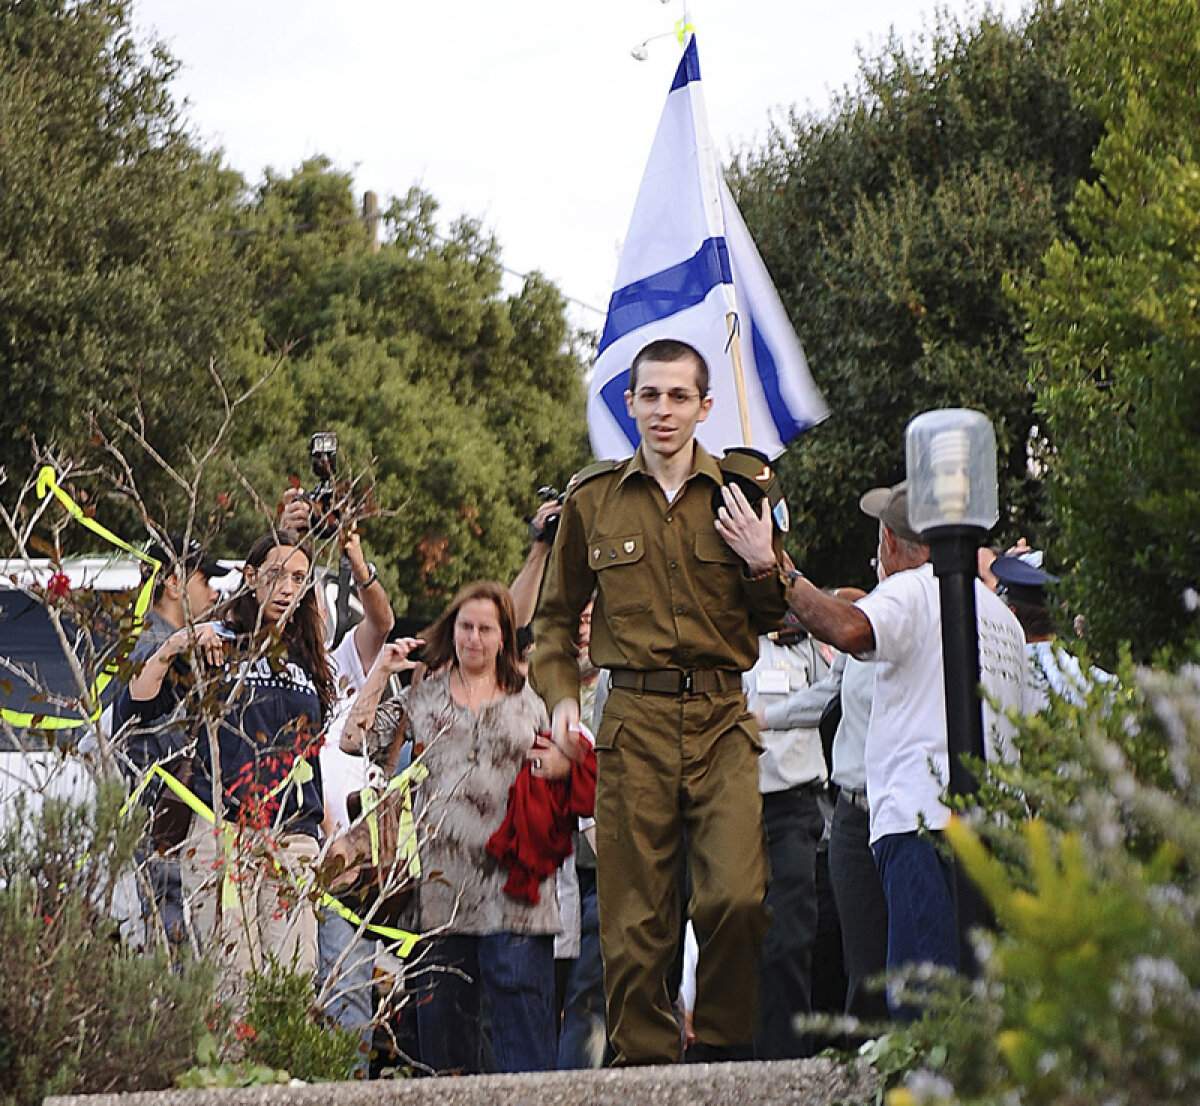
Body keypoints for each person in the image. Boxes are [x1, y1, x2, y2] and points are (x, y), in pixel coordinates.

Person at [531, 337, 789, 1065]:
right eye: (650, 395)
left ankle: (723, 1055)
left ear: (706, 406)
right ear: (630, 403)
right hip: (633, 724)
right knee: (635, 921)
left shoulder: (742, 491)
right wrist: (559, 699)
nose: (664, 410)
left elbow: (774, 614)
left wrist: (762, 561)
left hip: (720, 720)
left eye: (680, 396)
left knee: (736, 899)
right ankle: (644, 1069)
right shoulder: (592, 500)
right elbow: (553, 622)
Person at [718, 479, 1028, 1013]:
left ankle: (919, 1095)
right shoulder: (1001, 617)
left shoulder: (913, 589)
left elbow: (848, 628)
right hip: (993, 827)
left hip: (919, 824)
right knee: (975, 997)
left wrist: (773, 569)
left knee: (922, 1000)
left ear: (889, 540)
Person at [343, 581, 572, 1074]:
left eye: (486, 628)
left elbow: (568, 771)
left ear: (504, 636)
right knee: (446, 1056)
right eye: (465, 626)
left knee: (525, 1051)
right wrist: (383, 669)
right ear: (452, 630)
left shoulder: (532, 701)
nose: (473, 638)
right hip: (442, 895)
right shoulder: (421, 699)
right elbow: (350, 739)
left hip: (518, 895)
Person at [115, 529, 334, 1000]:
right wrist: (174, 646)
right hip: (225, 834)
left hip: (294, 836)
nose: (287, 587)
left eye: (299, 577)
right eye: (276, 574)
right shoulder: (219, 640)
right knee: (232, 983)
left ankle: (284, 1077)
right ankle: (232, 1075)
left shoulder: (308, 654)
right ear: (251, 577)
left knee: (292, 982)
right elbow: (134, 708)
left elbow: (314, 752)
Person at [280, 489, 397, 1073]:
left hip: (349, 860)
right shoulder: (278, 668)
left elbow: (383, 620)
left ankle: (346, 1087)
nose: (314, 610)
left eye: (317, 599)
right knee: (291, 987)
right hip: (288, 850)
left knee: (347, 989)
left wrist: (353, 554)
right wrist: (286, 534)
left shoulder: (346, 660)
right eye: (304, 598)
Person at [115, 532, 222, 947]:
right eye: (205, 580)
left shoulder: (180, 646)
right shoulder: (153, 645)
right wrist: (178, 644)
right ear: (174, 584)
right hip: (151, 829)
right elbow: (138, 703)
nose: (213, 594)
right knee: (164, 955)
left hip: (169, 830)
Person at [744, 612, 830, 1058]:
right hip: (726, 810)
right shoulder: (712, 635)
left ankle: (786, 1070)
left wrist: (770, 718)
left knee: (787, 944)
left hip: (789, 808)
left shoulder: (803, 641)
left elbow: (831, 698)